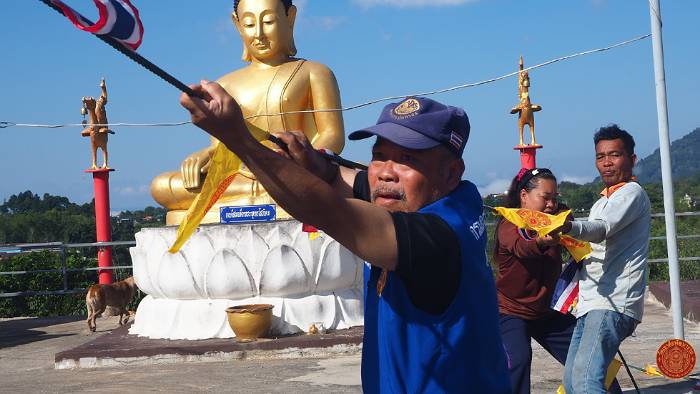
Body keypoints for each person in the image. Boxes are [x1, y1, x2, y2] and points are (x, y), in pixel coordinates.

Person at [180, 86, 511, 393]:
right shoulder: (453, 198)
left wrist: (241, 141)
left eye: (408, 159)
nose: (385, 172)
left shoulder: (437, 237)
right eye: (379, 155)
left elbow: (330, 211)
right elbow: (349, 181)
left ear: (451, 172)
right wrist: (316, 165)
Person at [151, 0, 345, 225]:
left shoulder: (313, 72)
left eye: (269, 21)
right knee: (163, 186)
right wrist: (204, 155)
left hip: (296, 171)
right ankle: (265, 193)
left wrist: (301, 159)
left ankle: (277, 190)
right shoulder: (224, 84)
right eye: (250, 24)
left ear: (290, 17)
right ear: (237, 24)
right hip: (241, 176)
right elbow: (222, 146)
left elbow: (332, 136)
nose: (260, 34)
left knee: (330, 180)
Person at [494, 168, 622, 394]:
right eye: (545, 198)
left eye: (555, 198)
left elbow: (578, 232)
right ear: (524, 196)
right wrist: (542, 242)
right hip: (510, 311)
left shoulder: (558, 219)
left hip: (547, 310)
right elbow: (522, 247)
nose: (551, 204)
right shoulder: (508, 225)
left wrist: (567, 224)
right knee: (518, 362)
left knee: (592, 357)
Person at [560, 125, 651, 394]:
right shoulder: (602, 201)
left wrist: (567, 226)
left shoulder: (632, 194)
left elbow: (599, 229)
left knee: (587, 382)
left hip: (613, 302)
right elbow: (590, 241)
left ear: (631, 160)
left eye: (614, 155)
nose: (607, 163)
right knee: (572, 383)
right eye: (601, 157)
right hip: (591, 302)